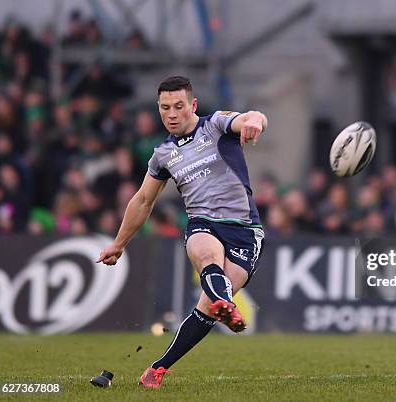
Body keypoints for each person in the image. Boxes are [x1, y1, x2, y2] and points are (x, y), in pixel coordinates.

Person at [96, 76, 267, 389]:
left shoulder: (215, 125)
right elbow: (143, 200)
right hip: (203, 223)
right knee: (205, 252)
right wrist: (118, 244)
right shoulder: (162, 155)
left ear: (193, 106)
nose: (171, 113)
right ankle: (223, 301)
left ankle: (157, 368)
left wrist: (256, 120)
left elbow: (250, 117)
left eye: (178, 106)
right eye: (164, 108)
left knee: (204, 311)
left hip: (245, 231)